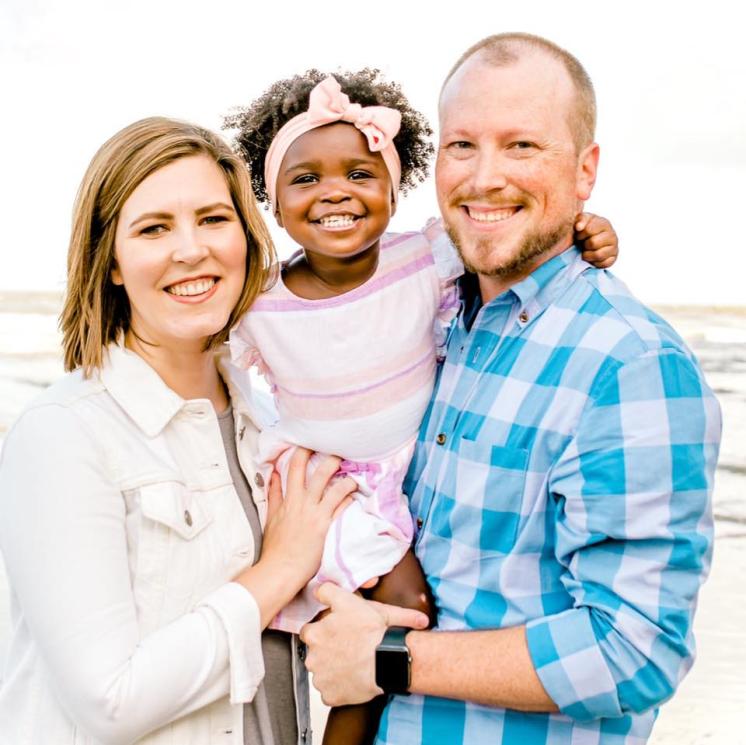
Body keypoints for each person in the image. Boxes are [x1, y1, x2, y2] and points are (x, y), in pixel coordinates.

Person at [300, 33, 722, 745]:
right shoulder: (437, 324)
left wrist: (388, 659)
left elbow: (634, 651)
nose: (484, 177)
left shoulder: (629, 364)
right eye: (462, 146)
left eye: (522, 146)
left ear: (586, 170)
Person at [225, 69, 619, 744]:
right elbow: (197, 347)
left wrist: (588, 231)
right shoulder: (259, 301)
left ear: (394, 183)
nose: (335, 193)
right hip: (333, 489)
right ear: (272, 197)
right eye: (307, 179)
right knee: (397, 611)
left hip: (420, 473)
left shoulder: (425, 259)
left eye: (359, 172)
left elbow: (514, 251)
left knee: (398, 625)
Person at [0, 116, 364, 745]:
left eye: (213, 219)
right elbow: (108, 702)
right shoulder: (62, 435)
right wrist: (277, 570)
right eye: (153, 229)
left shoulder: (269, 416)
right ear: (111, 263)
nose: (191, 249)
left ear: (246, 237)